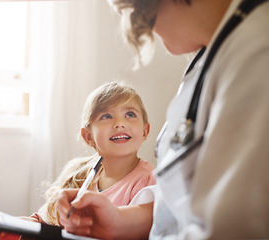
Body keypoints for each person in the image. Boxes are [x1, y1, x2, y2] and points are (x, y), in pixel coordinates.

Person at [56, 0, 269, 239]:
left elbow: (232, 227)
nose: (137, 26)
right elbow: (177, 208)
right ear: (87, 135)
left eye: (134, 9)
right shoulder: (212, 56)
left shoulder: (257, 56)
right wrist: (117, 222)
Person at [0, 81, 156, 239]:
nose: (120, 123)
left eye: (130, 114)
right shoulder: (79, 174)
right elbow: (50, 219)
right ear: (88, 136)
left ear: (145, 131)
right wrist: (30, 223)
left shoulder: (148, 182)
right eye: (106, 116)